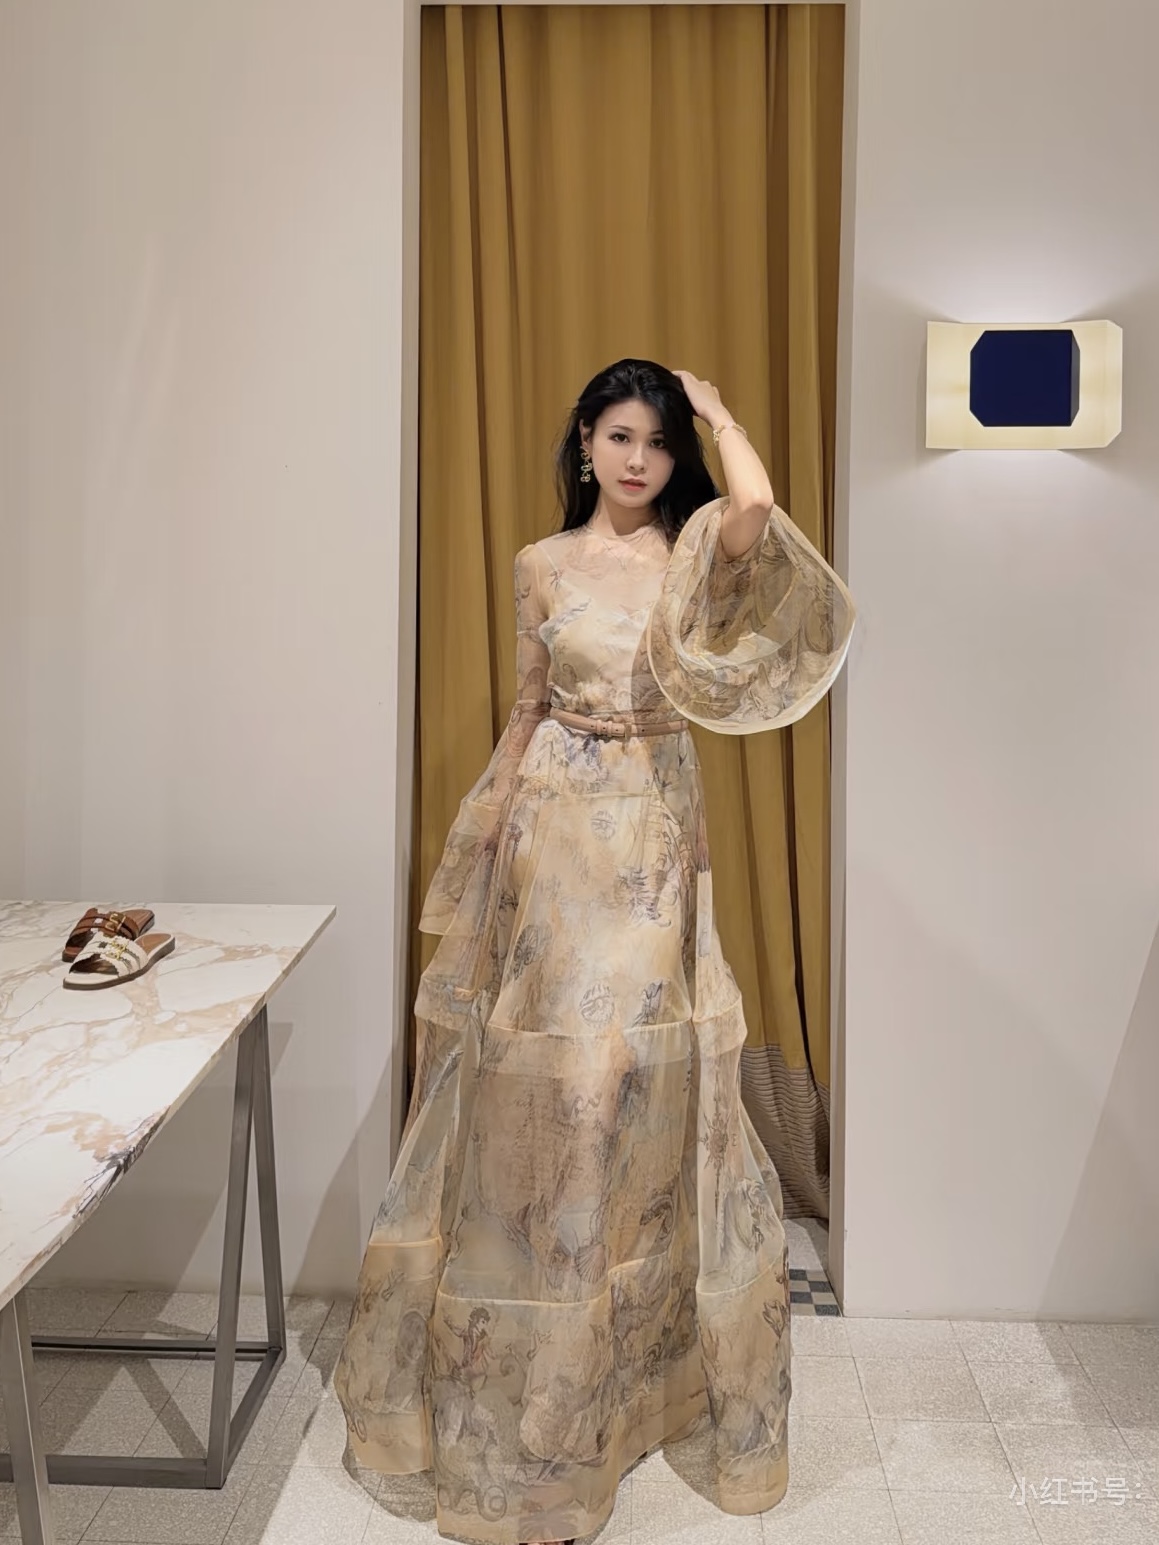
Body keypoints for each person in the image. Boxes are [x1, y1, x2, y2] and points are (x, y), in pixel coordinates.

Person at [335, 359, 856, 1545]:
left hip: (653, 835)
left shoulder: (692, 555)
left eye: (657, 443)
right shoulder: (540, 563)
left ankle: (624, 1371)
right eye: (620, 437)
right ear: (584, 442)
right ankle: (539, 1388)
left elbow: (757, 508)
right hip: (554, 832)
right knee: (557, 1092)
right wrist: (488, 836)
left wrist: (716, 412)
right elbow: (527, 704)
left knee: (621, 1083)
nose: (638, 460)